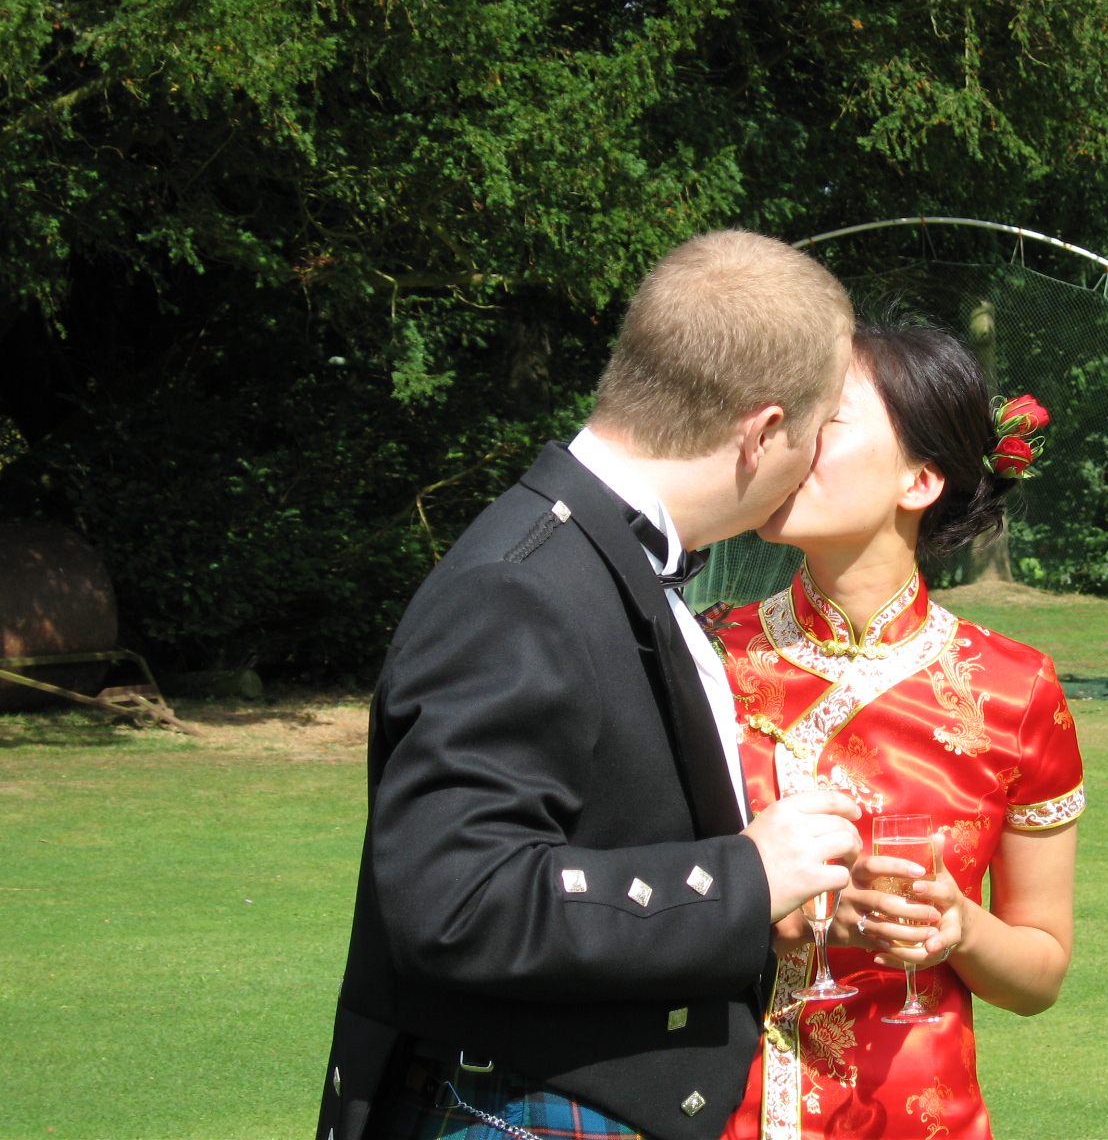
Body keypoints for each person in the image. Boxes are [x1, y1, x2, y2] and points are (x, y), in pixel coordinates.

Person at [317, 230, 867, 1140]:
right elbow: (453, 901)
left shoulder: (593, 557)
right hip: (512, 1114)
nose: (809, 461)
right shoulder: (521, 585)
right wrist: (745, 878)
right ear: (763, 431)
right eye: (811, 435)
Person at [711, 321, 1083, 1140]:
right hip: (704, 1114)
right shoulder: (702, 656)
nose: (785, 438)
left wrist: (962, 928)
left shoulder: (1015, 690)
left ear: (920, 480)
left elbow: (1041, 973)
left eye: (826, 416)